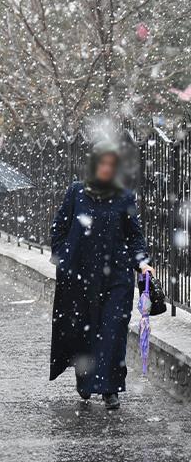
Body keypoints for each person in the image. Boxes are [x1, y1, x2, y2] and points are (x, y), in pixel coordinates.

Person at [50, 140, 154, 410]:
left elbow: (135, 238)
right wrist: (63, 258)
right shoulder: (76, 193)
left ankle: (110, 388)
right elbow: (58, 228)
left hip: (117, 277)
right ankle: (85, 379)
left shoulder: (124, 196)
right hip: (81, 276)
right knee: (85, 331)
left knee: (113, 331)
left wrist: (142, 263)